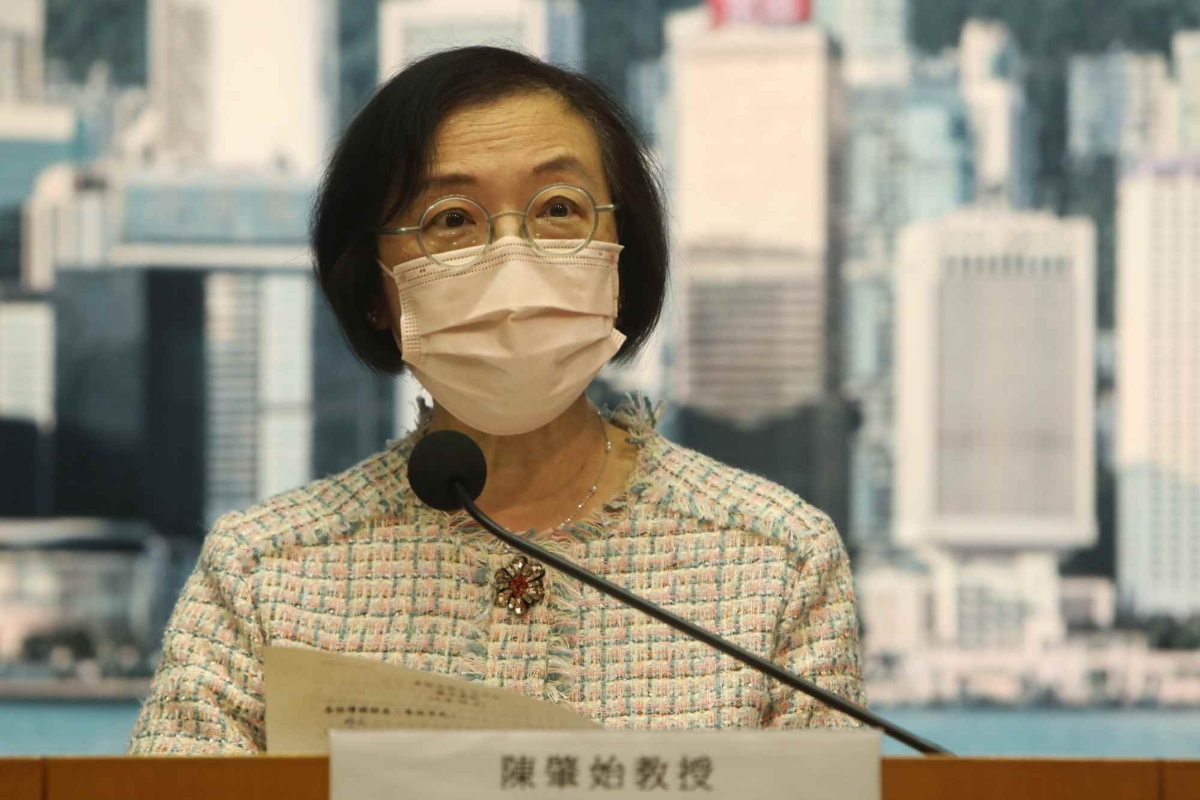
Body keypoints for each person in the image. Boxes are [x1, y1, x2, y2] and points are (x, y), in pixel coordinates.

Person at [129, 46, 864, 755]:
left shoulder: (775, 557)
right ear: (373, 287)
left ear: (625, 256)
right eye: (451, 219)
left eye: (558, 208)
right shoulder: (265, 571)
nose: (513, 259)